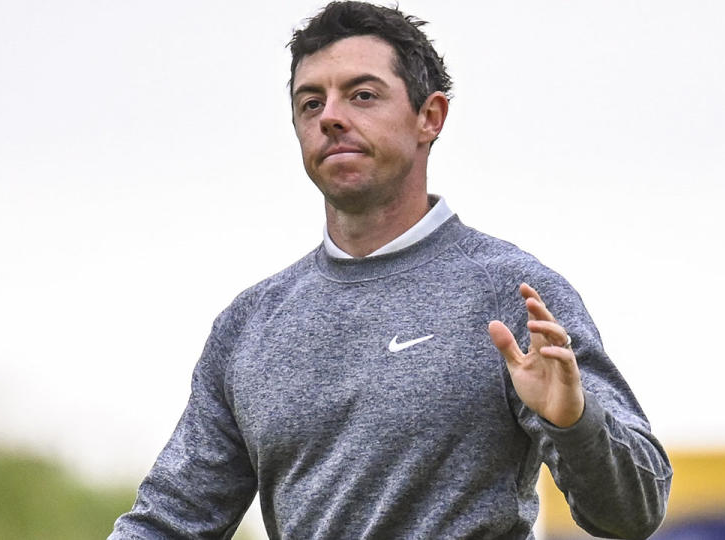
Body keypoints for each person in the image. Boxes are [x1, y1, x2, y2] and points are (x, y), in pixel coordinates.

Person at [110, 2, 672, 539]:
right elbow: (169, 520)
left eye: (361, 95)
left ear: (430, 116)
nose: (330, 117)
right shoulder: (249, 324)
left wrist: (575, 424)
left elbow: (634, 512)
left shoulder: (513, 294)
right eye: (311, 104)